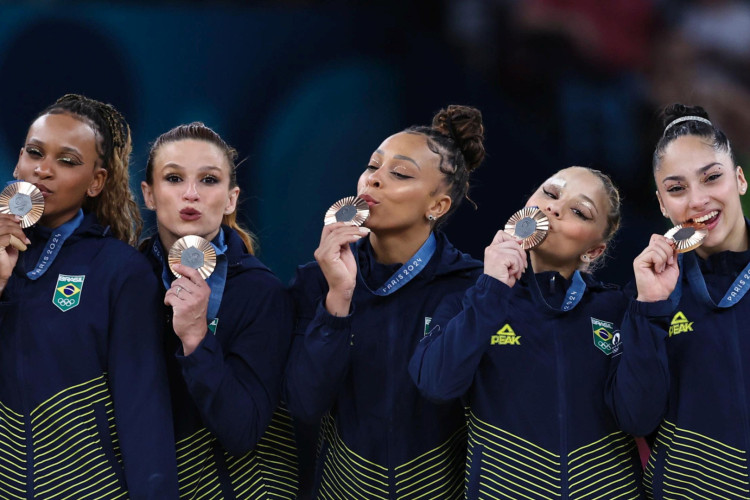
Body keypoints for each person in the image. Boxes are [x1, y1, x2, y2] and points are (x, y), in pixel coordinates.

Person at [284, 105, 486, 499]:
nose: (373, 180)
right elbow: (304, 405)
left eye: (400, 173)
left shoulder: (473, 289)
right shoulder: (315, 280)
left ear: (437, 206)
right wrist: (337, 302)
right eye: (372, 167)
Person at [410, 166, 645, 498]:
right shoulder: (465, 303)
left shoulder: (617, 311)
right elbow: (436, 385)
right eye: (550, 193)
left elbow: (642, 417)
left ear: (593, 251)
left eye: (579, 211)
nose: (554, 207)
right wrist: (490, 291)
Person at [0, 94, 177, 498]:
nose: (43, 170)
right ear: (18, 162)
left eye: (67, 161)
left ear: (96, 182)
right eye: (34, 152)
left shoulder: (119, 271)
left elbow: (143, 412)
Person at [140, 122, 296, 499]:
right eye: (174, 178)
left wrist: (196, 338)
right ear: (149, 194)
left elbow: (243, 431)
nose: (190, 194)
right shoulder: (124, 277)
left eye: (209, 180)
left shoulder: (263, 292)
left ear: (230, 199)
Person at [607, 104, 750, 499]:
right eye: (677, 188)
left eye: (712, 178)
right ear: (660, 204)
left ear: (739, 179)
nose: (698, 200)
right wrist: (651, 309)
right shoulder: (644, 298)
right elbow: (636, 417)